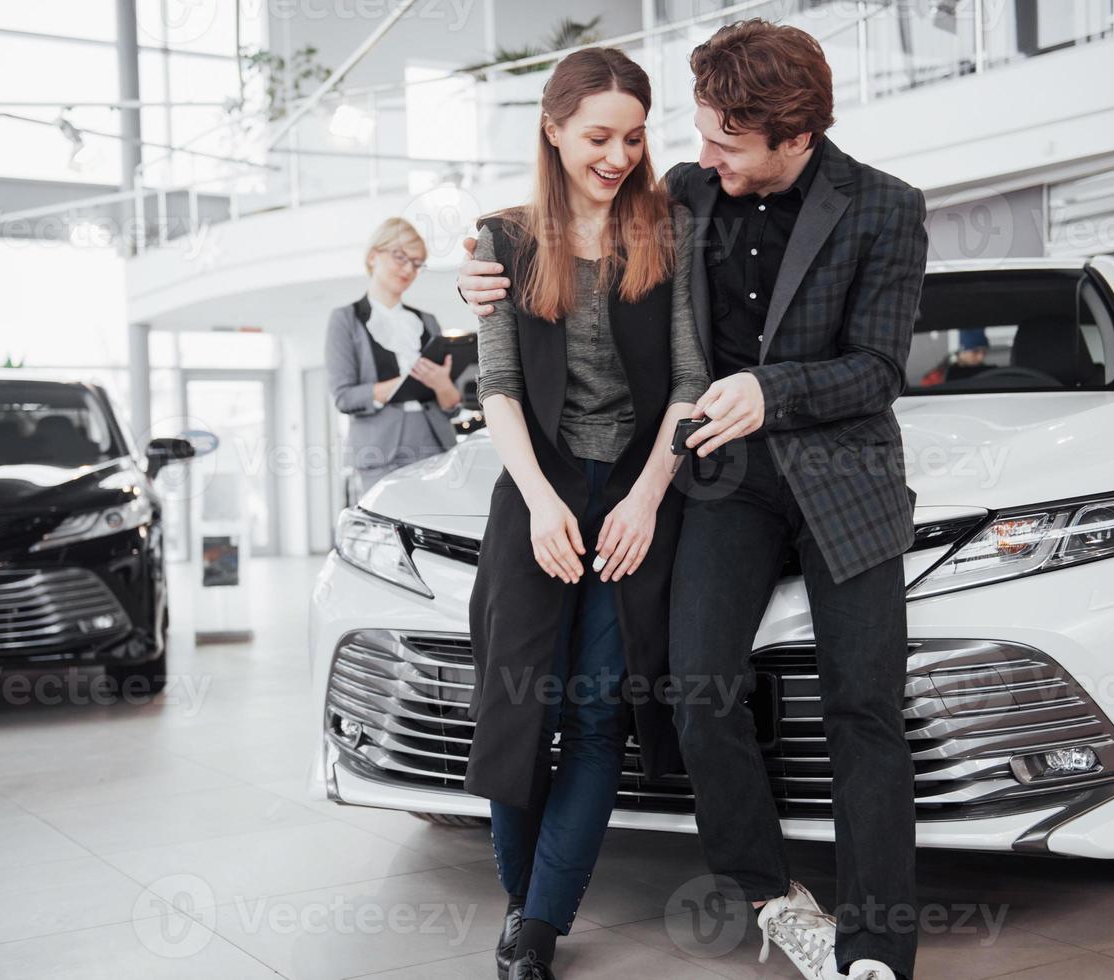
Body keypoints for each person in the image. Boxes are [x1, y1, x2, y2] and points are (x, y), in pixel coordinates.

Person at [459, 20, 928, 980]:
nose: (692, 154)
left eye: (723, 141)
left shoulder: (885, 208)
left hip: (845, 478)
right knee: (694, 688)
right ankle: (768, 893)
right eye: (699, 133)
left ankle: (876, 944)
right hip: (723, 480)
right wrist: (475, 287)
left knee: (862, 708)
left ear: (791, 138)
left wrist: (774, 391)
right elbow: (556, 268)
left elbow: (878, 369)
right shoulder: (684, 196)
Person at [462, 47, 708, 980]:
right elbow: (498, 387)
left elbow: (689, 379)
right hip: (537, 486)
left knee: (599, 713)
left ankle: (537, 931)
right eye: (598, 136)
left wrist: (648, 498)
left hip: (641, 489)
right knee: (516, 704)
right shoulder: (502, 240)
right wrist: (537, 502)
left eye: (634, 136)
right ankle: (526, 906)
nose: (617, 155)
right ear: (553, 128)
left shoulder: (670, 229)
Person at [324, 217, 462, 497]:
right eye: (401, 257)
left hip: (435, 445)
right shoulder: (345, 320)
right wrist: (405, 381)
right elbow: (345, 397)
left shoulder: (427, 321)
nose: (409, 269)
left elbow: (452, 406)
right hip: (380, 451)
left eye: (417, 263)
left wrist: (442, 386)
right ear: (374, 256)